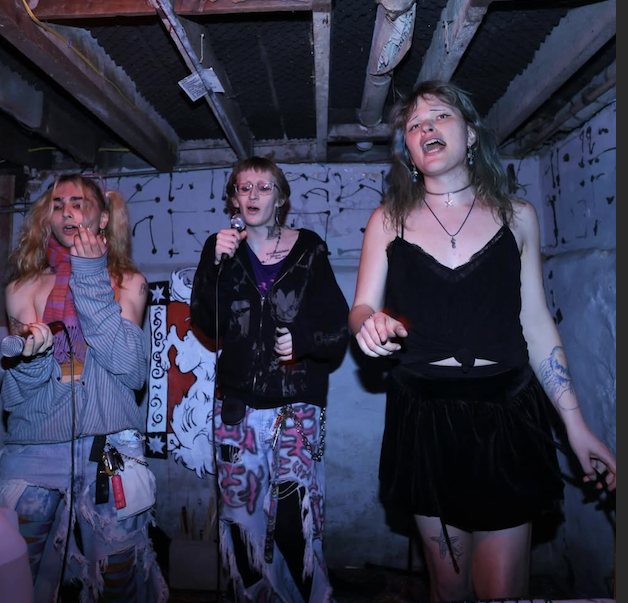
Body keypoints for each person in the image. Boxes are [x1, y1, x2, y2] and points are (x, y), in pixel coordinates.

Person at [349, 80, 616, 603]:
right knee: (448, 588)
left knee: (501, 590)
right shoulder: (387, 221)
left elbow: (536, 322)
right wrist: (367, 323)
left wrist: (576, 426)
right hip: (424, 419)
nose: (426, 127)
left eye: (440, 116)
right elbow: (361, 306)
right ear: (408, 151)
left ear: (470, 134)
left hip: (507, 416)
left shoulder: (519, 216)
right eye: (414, 124)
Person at [0, 175, 168, 602]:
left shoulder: (128, 282)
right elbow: (14, 397)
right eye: (58, 205)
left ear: (103, 217)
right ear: (48, 218)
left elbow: (129, 369)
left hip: (109, 446)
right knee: (17, 578)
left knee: (117, 579)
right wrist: (29, 359)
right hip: (35, 446)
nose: (68, 212)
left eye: (79, 203)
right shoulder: (21, 288)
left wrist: (91, 275)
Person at [190, 156, 350, 603]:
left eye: (264, 187)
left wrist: (302, 339)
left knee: (295, 523)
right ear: (233, 200)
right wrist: (214, 265)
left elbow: (338, 329)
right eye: (244, 188)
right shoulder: (220, 248)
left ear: (280, 198)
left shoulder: (309, 248)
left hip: (296, 404)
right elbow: (206, 321)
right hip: (237, 408)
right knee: (243, 526)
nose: (253, 195)